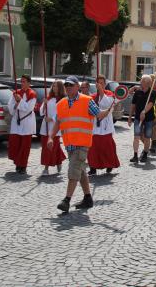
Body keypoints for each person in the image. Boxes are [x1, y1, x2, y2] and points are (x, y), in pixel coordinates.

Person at [51, 75, 112, 213]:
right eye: (66, 86)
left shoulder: (87, 101)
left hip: (82, 143)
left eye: (71, 85)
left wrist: (108, 110)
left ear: (77, 87)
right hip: (69, 144)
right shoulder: (61, 103)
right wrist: (51, 137)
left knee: (73, 171)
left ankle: (66, 200)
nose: (68, 88)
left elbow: (99, 115)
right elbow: (58, 122)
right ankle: (88, 198)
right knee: (81, 171)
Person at [88, 75, 120, 175]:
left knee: (107, 147)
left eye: (102, 83)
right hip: (95, 126)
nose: (100, 85)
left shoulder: (110, 94)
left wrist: (101, 91)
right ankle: (93, 166)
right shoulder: (92, 97)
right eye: (99, 83)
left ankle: (109, 164)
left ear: (105, 85)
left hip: (106, 126)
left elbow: (107, 105)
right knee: (93, 147)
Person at [7, 75, 37, 174]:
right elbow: (10, 107)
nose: (22, 83)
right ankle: (17, 163)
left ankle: (23, 166)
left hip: (27, 122)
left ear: (29, 83)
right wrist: (17, 103)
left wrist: (19, 101)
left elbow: (28, 108)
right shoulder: (16, 93)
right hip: (16, 121)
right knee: (15, 144)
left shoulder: (32, 94)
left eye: (24, 82)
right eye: (21, 81)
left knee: (24, 146)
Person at [40, 80, 67, 175]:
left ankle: (46, 168)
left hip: (55, 126)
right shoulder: (49, 98)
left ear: (60, 88)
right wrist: (44, 105)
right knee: (46, 147)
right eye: (53, 86)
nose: (55, 88)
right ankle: (59, 160)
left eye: (57, 86)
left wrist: (52, 119)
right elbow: (41, 112)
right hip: (45, 126)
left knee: (51, 147)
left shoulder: (63, 99)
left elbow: (63, 113)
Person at [127, 75, 156, 163]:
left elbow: (150, 104)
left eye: (142, 81)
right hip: (137, 118)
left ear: (147, 83)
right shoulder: (137, 92)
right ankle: (135, 155)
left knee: (147, 137)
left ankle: (145, 154)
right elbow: (133, 106)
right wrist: (129, 117)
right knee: (136, 136)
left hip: (149, 119)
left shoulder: (153, 92)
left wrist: (144, 111)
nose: (140, 82)